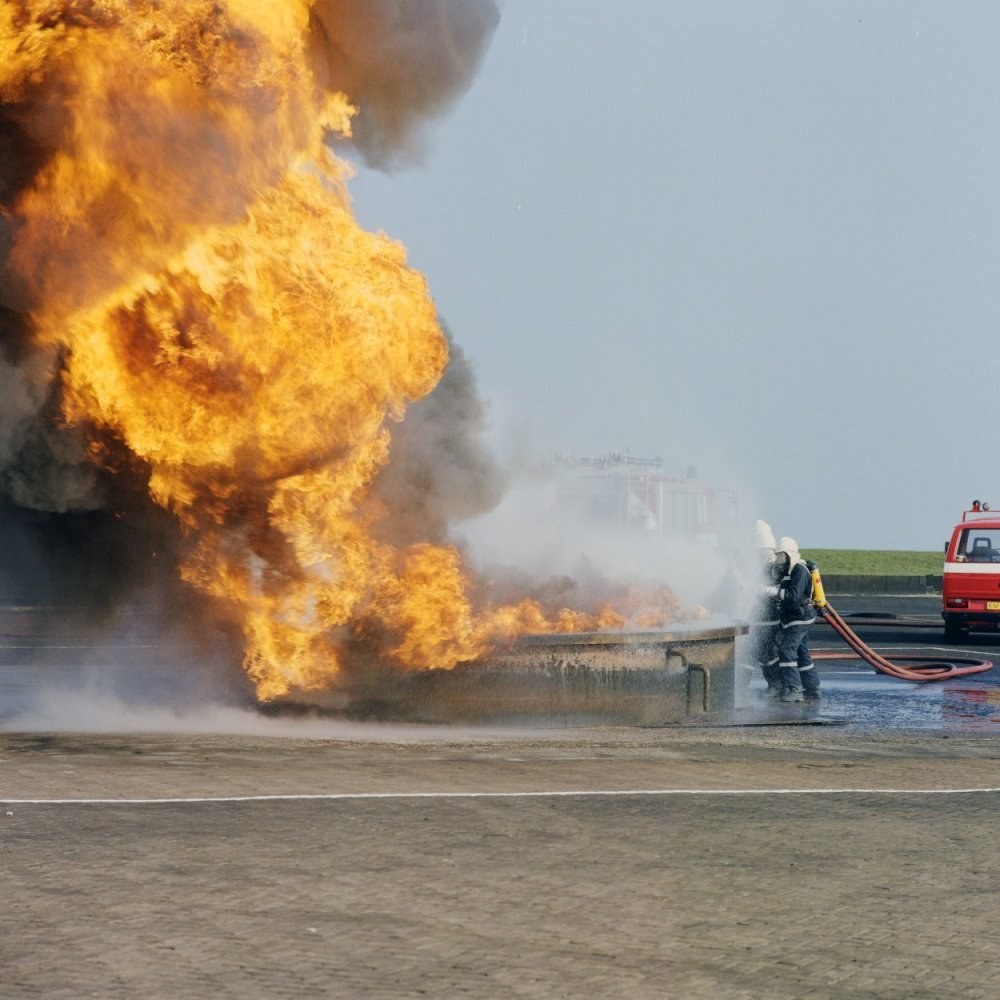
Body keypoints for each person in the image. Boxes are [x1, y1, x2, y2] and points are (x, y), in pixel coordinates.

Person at [774, 536, 820, 703]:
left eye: (782, 556)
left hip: (800, 618)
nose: (779, 560)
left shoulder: (799, 570)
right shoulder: (789, 571)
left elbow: (793, 597)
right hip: (795, 617)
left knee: (787, 650)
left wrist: (770, 592)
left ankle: (793, 689)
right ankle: (812, 687)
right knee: (801, 652)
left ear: (790, 554)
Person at [748, 520, 783, 698]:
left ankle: (776, 685)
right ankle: (740, 687)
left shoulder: (773, 567)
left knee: (766, 653)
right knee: (755, 652)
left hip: (769, 618)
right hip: (758, 617)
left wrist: (760, 590)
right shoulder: (760, 564)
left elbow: (778, 591)